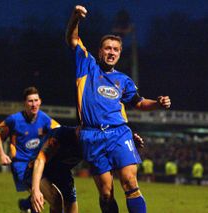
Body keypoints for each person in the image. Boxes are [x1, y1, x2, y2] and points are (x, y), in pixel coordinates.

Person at [66, 5, 171, 213]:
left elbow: (139, 103)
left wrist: (158, 103)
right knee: (106, 194)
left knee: (130, 182)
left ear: (120, 53)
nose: (111, 52)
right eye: (108, 48)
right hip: (91, 135)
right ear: (100, 51)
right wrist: (75, 18)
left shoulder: (123, 80)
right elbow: (72, 39)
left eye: (115, 49)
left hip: (118, 133)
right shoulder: (87, 65)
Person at [30, 126, 144, 213]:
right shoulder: (62, 135)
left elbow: (110, 152)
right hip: (38, 170)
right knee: (56, 200)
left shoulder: (91, 142)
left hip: (63, 174)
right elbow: (40, 160)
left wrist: (127, 145)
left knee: (71, 208)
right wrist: (35, 190)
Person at [0, 86, 60, 212]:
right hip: (22, 165)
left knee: (48, 198)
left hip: (38, 164)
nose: (33, 104)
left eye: (36, 100)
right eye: (30, 101)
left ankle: (25, 204)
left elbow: (59, 130)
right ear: (24, 103)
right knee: (50, 198)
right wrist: (1, 154)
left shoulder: (44, 118)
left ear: (40, 101)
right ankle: (28, 204)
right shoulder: (14, 120)